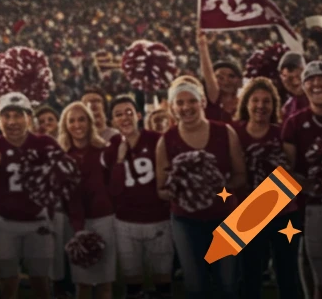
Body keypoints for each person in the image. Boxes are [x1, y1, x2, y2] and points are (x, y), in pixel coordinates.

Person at [154, 78, 246, 299]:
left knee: (228, 284)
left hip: (226, 217)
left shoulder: (225, 132)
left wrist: (213, 187)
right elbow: (161, 189)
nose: (187, 107)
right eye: (180, 103)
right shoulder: (166, 141)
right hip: (186, 220)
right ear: (173, 107)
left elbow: (241, 175)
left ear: (202, 102)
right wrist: (185, 192)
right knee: (195, 285)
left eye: (192, 101)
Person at [0, 92, 60, 299]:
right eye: (7, 116)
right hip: (3, 224)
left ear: (29, 118)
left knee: (41, 281)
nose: (12, 121)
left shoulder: (45, 144)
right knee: (7, 282)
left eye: (18, 115)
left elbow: (62, 182)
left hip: (38, 222)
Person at [232, 76, 300, 299]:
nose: (261, 106)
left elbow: (292, 170)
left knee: (288, 275)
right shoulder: (234, 133)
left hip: (283, 211)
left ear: (274, 105)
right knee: (249, 277)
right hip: (247, 211)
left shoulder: (282, 132)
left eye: (267, 101)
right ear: (246, 103)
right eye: (255, 100)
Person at [105, 97, 171, 298]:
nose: (124, 118)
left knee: (163, 279)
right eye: (118, 114)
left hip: (158, 217)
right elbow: (114, 190)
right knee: (132, 281)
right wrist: (119, 159)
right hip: (126, 221)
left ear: (139, 115)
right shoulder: (112, 145)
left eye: (128, 112)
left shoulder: (157, 139)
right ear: (112, 121)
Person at [283, 60, 322, 299]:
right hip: (316, 207)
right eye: (310, 79)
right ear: (304, 87)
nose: (316, 83)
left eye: (321, 77)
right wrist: (311, 184)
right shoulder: (294, 123)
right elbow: (287, 170)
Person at [57, 102, 114, 299]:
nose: (77, 124)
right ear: (65, 125)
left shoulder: (104, 151)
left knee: (105, 284)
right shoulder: (62, 156)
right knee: (82, 284)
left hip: (105, 219)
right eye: (71, 120)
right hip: (76, 224)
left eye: (81, 119)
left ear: (90, 122)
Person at [196, 33, 241, 123]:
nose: (226, 81)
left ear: (239, 80)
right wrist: (202, 46)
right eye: (220, 77)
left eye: (231, 76)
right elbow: (208, 74)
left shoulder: (248, 102)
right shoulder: (211, 102)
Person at [278, 51, 308, 121]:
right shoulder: (286, 110)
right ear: (282, 79)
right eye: (289, 79)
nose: (295, 82)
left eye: (299, 76)